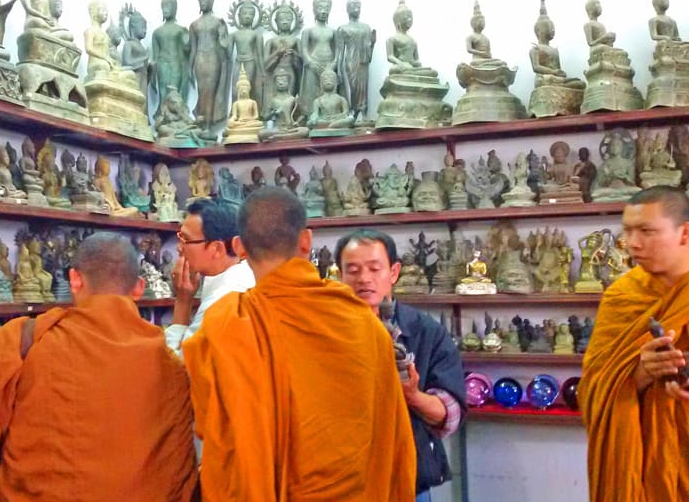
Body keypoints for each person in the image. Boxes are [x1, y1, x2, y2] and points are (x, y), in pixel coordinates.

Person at [183, 187, 416, 501]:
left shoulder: (226, 324)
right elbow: (392, 434)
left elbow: (214, 427)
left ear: (238, 247)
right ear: (306, 241)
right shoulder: (362, 322)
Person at [0, 232, 198, 502]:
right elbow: (179, 469)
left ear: (74, 279)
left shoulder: (22, 340)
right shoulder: (170, 365)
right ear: (138, 287)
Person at [579, 186, 689, 502]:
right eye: (627, 230)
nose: (632, 243)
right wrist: (640, 373)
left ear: (685, 233)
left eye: (647, 231)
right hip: (643, 467)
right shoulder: (622, 298)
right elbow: (593, 391)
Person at [335, 229, 466, 502]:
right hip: (343, 479)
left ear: (394, 272)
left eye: (374, 269)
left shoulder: (425, 332)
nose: (364, 279)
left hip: (407, 478)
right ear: (340, 275)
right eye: (353, 270)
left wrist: (413, 396)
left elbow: (450, 413)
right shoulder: (325, 332)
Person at [166, 198, 255, 358]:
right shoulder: (246, 276)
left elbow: (175, 370)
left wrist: (182, 302)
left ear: (216, 248)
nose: (179, 248)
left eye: (186, 240)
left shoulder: (221, 302)